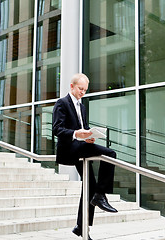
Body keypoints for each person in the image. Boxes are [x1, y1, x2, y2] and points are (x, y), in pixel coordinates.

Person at [52, 73, 117, 240]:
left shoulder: (82, 106)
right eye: (80, 89)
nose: (83, 92)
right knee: (110, 153)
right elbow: (57, 130)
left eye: (85, 90)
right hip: (70, 149)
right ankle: (100, 195)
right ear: (72, 86)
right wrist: (76, 134)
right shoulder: (62, 103)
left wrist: (89, 136)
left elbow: (84, 128)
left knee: (90, 185)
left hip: (82, 146)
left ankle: (81, 226)